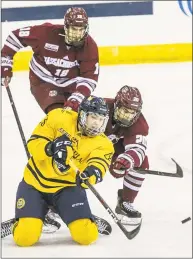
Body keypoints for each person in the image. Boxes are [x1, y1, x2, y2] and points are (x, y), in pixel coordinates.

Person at [12, 96, 114, 247]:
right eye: (93, 117)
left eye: (100, 120)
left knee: (87, 237)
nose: (96, 123)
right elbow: (33, 144)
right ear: (82, 114)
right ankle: (27, 218)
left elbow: (99, 165)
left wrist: (91, 174)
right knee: (25, 238)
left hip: (67, 189)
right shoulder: (58, 116)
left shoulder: (104, 144)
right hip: (34, 184)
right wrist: (50, 147)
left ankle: (75, 214)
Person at [1, 7, 99, 113]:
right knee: (57, 115)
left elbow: (89, 79)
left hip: (70, 85)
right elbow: (15, 37)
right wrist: (5, 64)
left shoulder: (89, 46)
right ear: (66, 27)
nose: (77, 34)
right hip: (43, 80)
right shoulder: (46, 33)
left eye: (81, 30)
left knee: (78, 118)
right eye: (74, 29)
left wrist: (76, 98)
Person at [104, 85, 149, 225]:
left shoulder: (139, 123)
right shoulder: (100, 107)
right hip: (87, 148)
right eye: (124, 111)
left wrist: (126, 160)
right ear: (116, 104)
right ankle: (57, 202)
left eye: (132, 112)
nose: (127, 116)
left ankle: (126, 201)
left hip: (111, 152)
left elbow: (138, 149)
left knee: (142, 163)